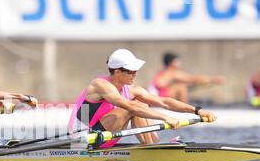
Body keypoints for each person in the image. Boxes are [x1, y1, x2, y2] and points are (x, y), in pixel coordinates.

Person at [68, 49, 217, 148]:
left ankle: (152, 146)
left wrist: (197, 111)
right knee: (135, 107)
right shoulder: (100, 85)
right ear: (118, 72)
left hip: (103, 137)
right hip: (83, 139)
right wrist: (165, 118)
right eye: (132, 71)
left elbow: (164, 101)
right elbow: (131, 107)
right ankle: (151, 149)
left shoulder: (132, 90)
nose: (135, 74)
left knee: (141, 105)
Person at [148, 52, 225, 103]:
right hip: (158, 97)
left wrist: (206, 82)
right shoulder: (172, 73)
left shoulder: (164, 72)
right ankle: (185, 111)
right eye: (177, 61)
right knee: (181, 87)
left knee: (186, 85)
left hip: (156, 96)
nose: (180, 63)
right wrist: (213, 79)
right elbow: (192, 79)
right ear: (171, 63)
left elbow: (191, 82)